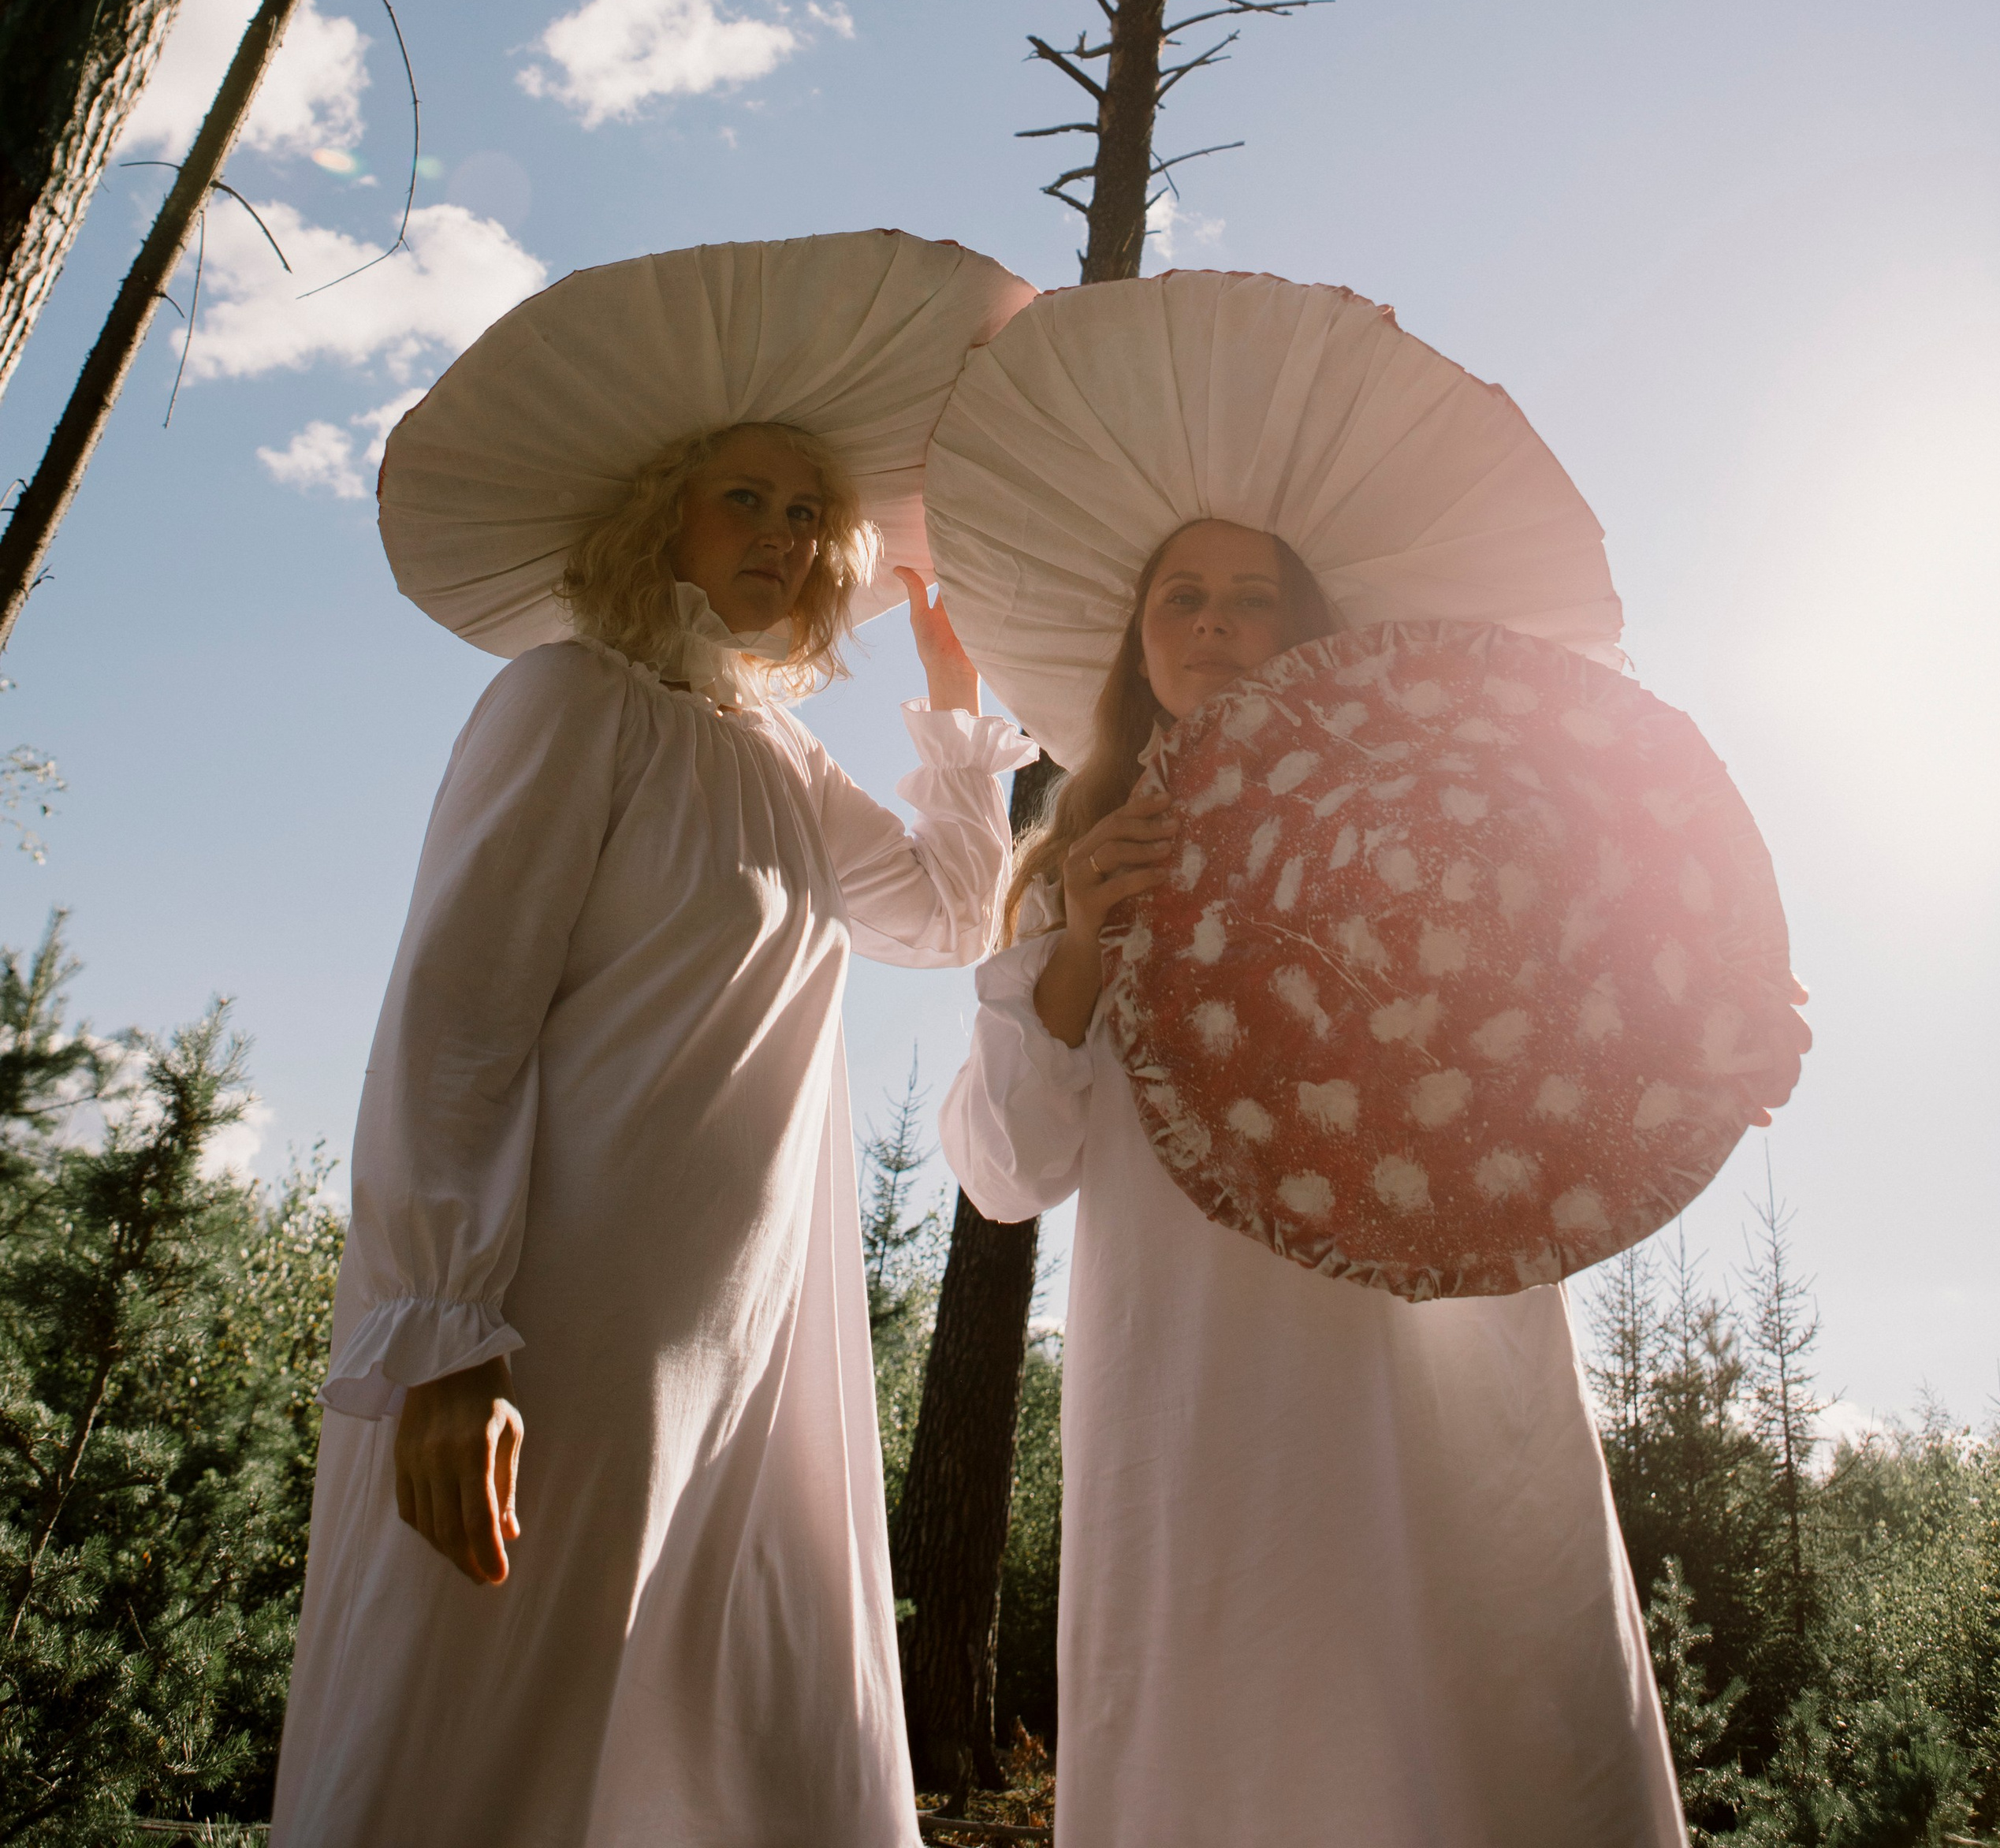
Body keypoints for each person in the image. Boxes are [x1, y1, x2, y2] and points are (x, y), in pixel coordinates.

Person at [274, 230, 1034, 1848]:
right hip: (566, 1317)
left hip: (757, 1327)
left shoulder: (782, 758)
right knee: (511, 1716)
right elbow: (454, 1030)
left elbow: (953, 914)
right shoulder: (570, 700)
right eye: (744, 497)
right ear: (660, 518)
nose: (784, 533)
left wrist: (955, 694)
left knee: (742, 1725)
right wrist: (446, 1339)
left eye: (810, 511)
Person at [941, 511, 1696, 1847]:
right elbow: (1006, 1172)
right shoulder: (1080, 866)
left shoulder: (1428, 810)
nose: (1215, 621)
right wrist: (1081, 947)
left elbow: (1564, 1009)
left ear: (1306, 630)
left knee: (1457, 1695)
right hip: (1195, 1373)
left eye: (1253, 596)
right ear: (1139, 645)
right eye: (1181, 596)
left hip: (1426, 1337)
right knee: (1241, 1712)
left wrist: (1694, 1041)